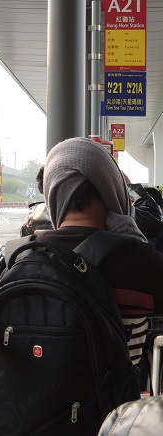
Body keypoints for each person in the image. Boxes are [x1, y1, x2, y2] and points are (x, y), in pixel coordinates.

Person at [31, 137, 163, 369]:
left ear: (52, 194)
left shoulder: (18, 258)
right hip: (118, 403)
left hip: (32, 403)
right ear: (113, 190)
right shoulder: (142, 260)